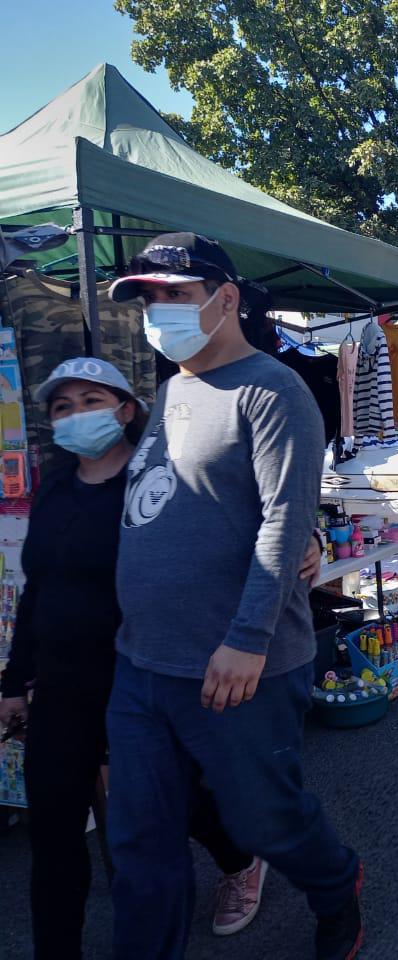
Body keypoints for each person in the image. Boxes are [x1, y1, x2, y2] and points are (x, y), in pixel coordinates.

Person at [0, 357, 323, 957]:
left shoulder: (158, 480)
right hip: (65, 689)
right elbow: (37, 589)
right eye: (63, 407)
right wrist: (14, 682)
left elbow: (244, 521)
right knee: (58, 835)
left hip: (144, 671)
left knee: (185, 805)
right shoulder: (53, 490)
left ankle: (242, 859)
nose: (76, 416)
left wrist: (311, 537)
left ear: (127, 411)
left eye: (92, 402)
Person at [103, 234, 363, 960]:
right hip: (144, 662)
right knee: (141, 836)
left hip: (240, 666)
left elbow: (287, 518)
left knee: (264, 822)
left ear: (225, 299)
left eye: (172, 296)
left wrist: (248, 636)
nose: (157, 312)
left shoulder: (273, 391)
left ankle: (336, 882)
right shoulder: (172, 389)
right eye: (149, 299)